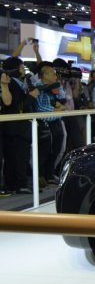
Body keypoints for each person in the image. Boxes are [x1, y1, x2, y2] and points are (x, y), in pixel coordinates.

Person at [0, 57, 38, 194]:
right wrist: (31, 97)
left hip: (16, 127)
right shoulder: (10, 84)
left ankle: (14, 184)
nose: (23, 70)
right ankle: (18, 184)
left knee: (16, 157)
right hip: (15, 127)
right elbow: (14, 107)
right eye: (21, 67)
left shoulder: (19, 83)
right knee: (17, 157)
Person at [32, 63, 66, 184]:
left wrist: (59, 108)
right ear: (45, 75)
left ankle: (49, 175)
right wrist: (58, 109)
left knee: (57, 149)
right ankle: (40, 175)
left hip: (56, 121)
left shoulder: (56, 86)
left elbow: (63, 99)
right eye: (53, 73)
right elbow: (39, 107)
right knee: (44, 151)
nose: (55, 75)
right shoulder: (37, 87)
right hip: (44, 124)